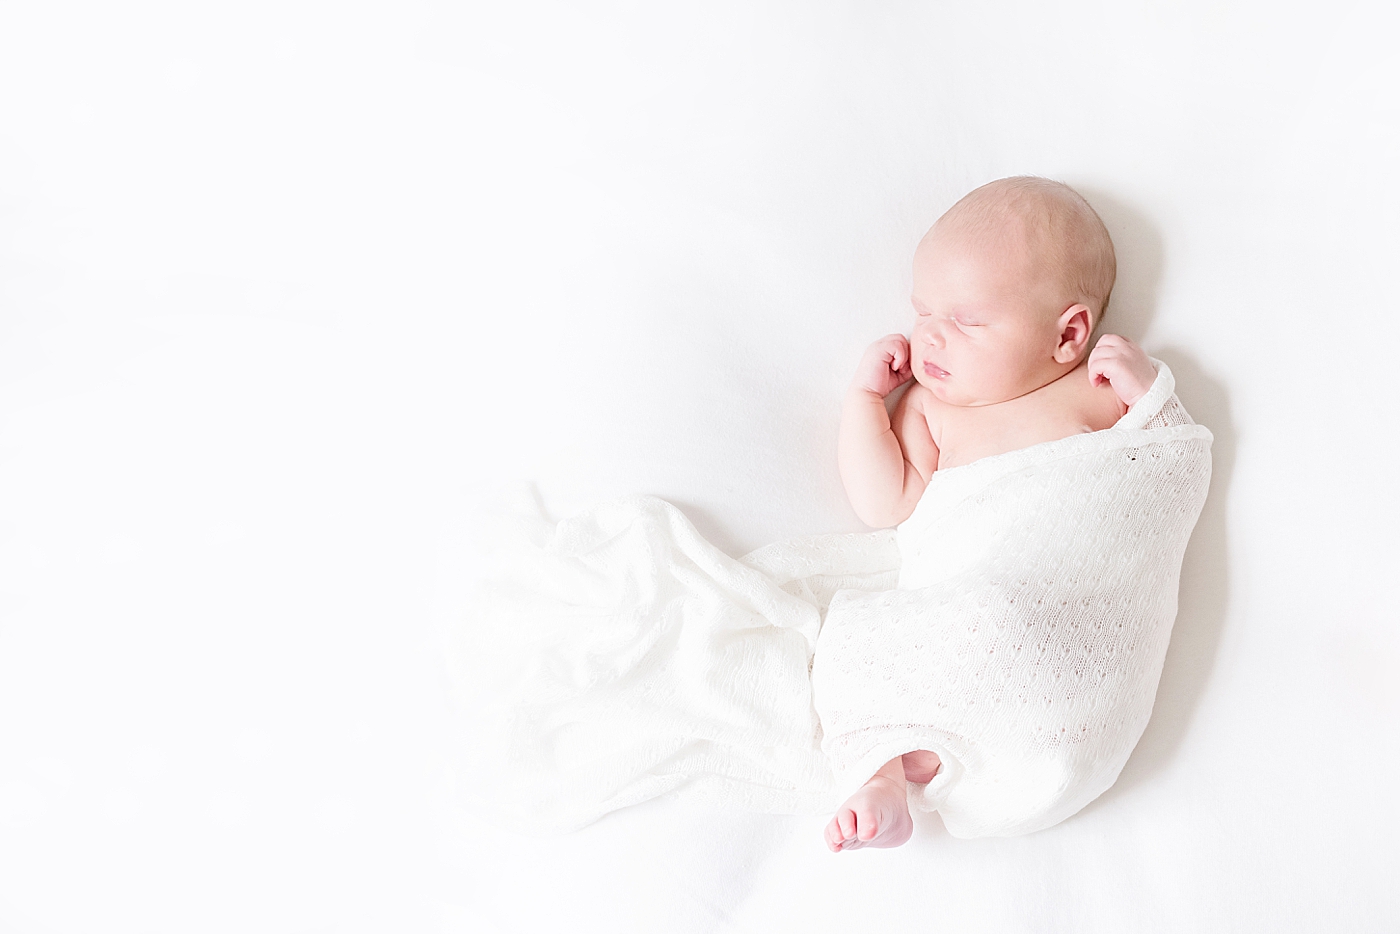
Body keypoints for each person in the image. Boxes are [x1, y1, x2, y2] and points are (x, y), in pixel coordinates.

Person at [825, 176, 1158, 852]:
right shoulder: (932, 411)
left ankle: (922, 756)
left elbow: (1162, 467)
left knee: (996, 631)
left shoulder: (1096, 392)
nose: (930, 338)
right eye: (923, 311)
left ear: (1068, 334)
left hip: (1058, 610)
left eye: (967, 321)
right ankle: (885, 775)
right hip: (967, 608)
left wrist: (1152, 396)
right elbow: (885, 502)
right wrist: (866, 400)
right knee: (851, 647)